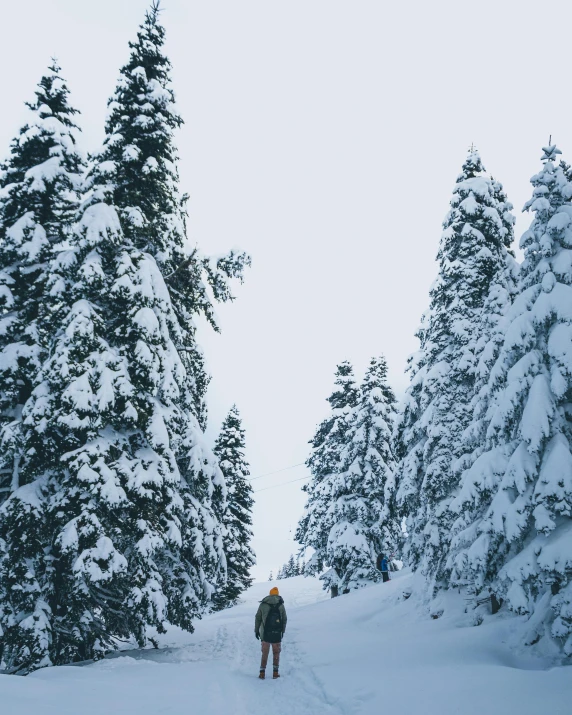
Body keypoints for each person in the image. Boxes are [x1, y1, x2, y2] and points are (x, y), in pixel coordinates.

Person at [255, 586, 287, 679]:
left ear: (270, 594)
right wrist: (282, 631)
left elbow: (258, 618)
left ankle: (262, 673)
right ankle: (275, 673)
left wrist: (256, 631)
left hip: (265, 634)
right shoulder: (281, 605)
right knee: (276, 653)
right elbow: (284, 619)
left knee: (264, 653)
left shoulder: (263, 604)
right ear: (277, 594)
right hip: (277, 634)